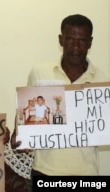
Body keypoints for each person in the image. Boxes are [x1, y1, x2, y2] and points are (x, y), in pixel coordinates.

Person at [11, 14, 108, 190]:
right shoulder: (40, 73)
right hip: (45, 170)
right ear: (60, 40)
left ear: (90, 43)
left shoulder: (103, 80)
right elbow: (23, 113)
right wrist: (18, 136)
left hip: (87, 173)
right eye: (70, 39)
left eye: (82, 41)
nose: (76, 47)